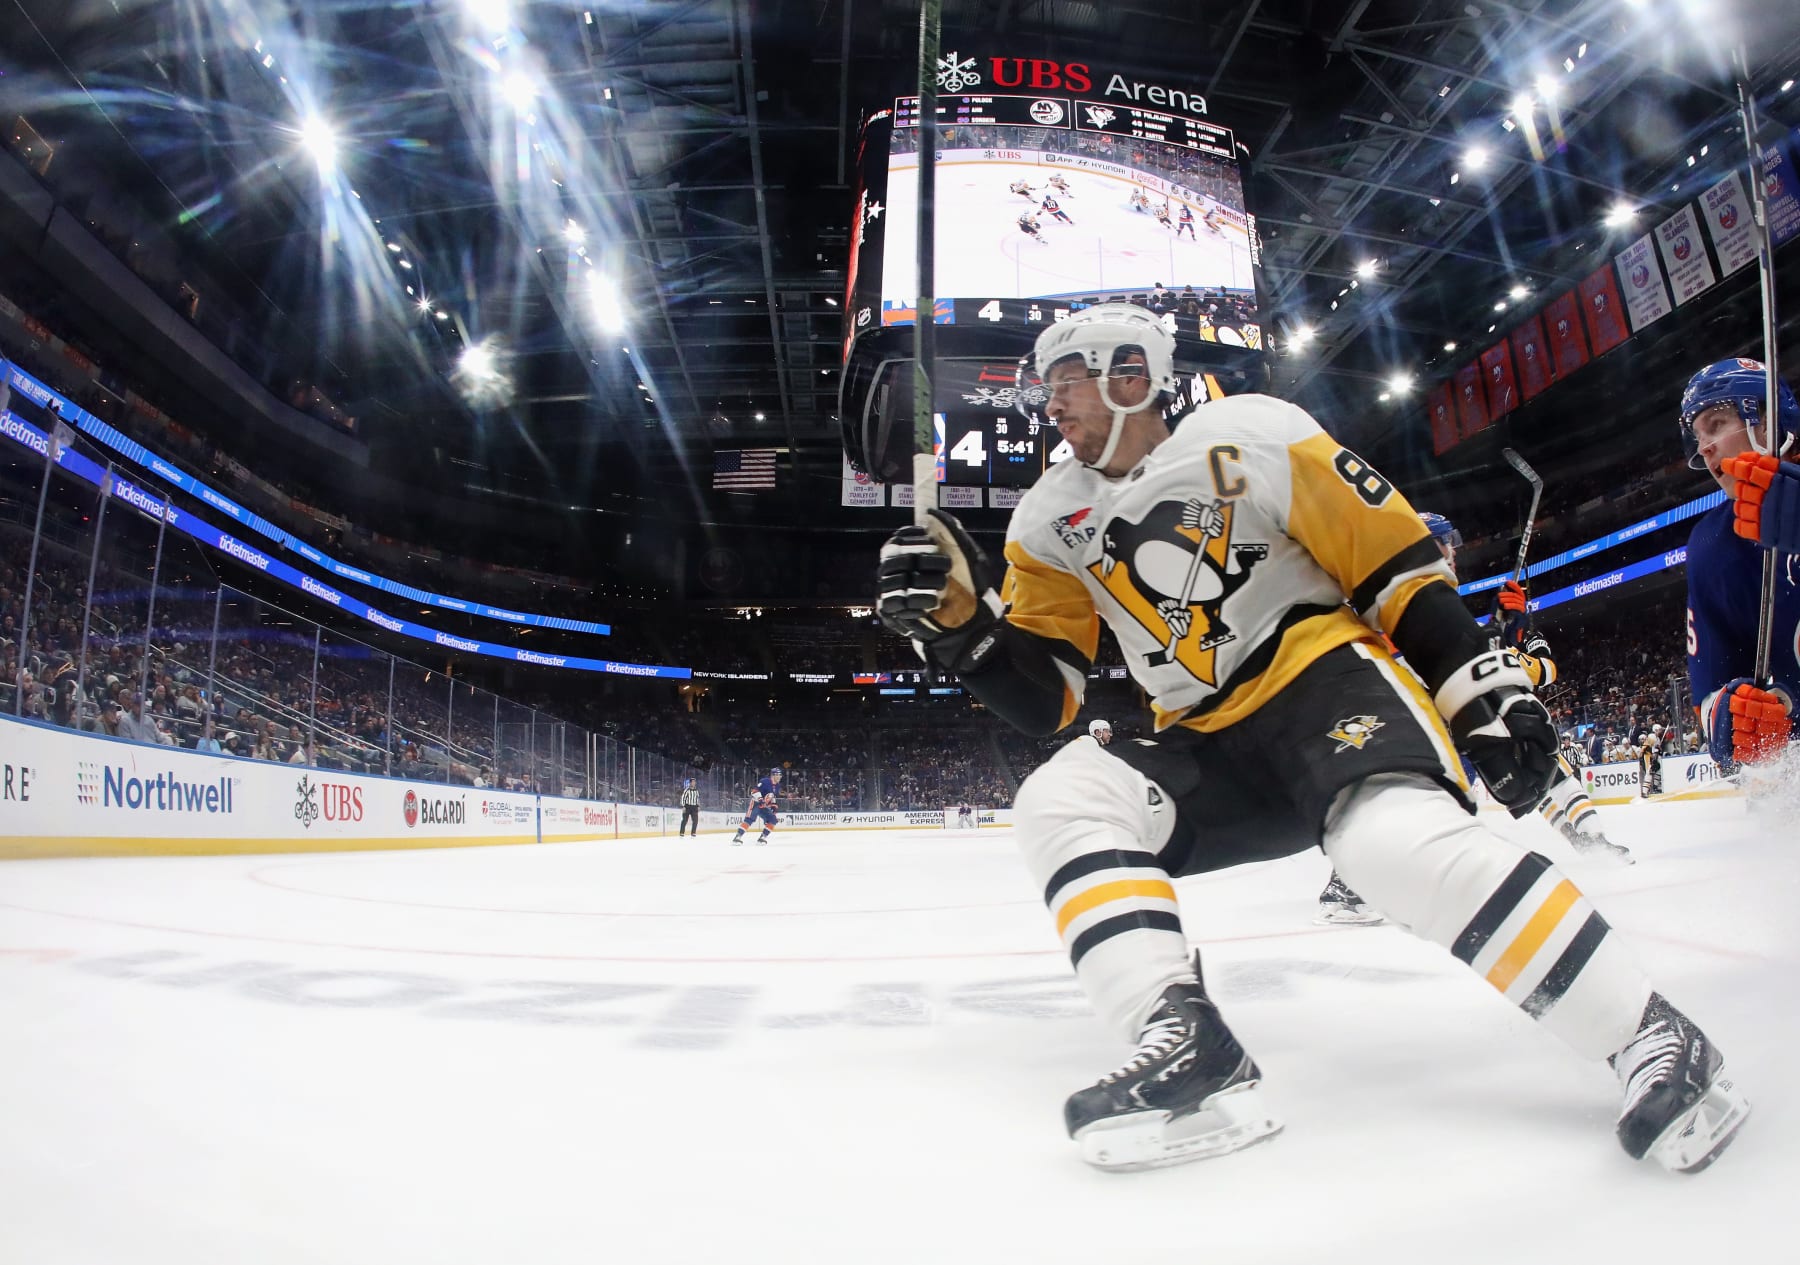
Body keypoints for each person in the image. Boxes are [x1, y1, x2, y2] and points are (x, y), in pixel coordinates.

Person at [877, 302, 1745, 1174]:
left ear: (1130, 375)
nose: (1051, 405)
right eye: (1050, 388)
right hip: (1200, 732)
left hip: (1322, 685)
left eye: (1067, 382)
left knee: (1388, 843)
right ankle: (1185, 1040)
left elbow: (1392, 563)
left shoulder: (1251, 432)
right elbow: (1049, 700)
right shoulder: (1046, 517)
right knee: (1060, 798)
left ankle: (1648, 1033)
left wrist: (1477, 686)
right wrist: (967, 632)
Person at [1677, 358, 1798, 769]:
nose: (1704, 446)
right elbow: (1711, 683)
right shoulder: (1710, 544)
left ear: (1772, 419)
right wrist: (1728, 718)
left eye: (1717, 423)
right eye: (1697, 435)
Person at [731, 767, 781, 846]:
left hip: (764, 806)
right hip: (756, 803)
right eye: (778, 775)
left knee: (773, 820)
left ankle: (762, 838)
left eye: (780, 775)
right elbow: (754, 791)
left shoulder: (777, 786)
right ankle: (737, 837)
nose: (779, 776)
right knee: (749, 820)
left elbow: (772, 797)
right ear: (773, 775)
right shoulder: (765, 781)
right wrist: (761, 800)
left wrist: (774, 806)